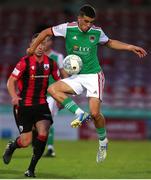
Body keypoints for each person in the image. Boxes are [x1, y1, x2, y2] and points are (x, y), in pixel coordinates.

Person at [26, 5, 147, 163]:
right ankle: (79, 113)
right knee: (53, 89)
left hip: (93, 76)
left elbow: (109, 42)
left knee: (95, 114)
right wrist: (33, 48)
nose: (89, 24)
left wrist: (130, 47)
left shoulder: (96, 32)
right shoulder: (67, 28)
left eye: (91, 22)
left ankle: (103, 142)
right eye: (86, 21)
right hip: (77, 76)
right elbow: (45, 32)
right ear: (79, 18)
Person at [3, 34, 60, 177]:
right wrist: (14, 96)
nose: (40, 47)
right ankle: (12, 146)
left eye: (43, 43)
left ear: (47, 45)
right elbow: (11, 81)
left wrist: (62, 98)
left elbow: (59, 82)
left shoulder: (51, 63)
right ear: (31, 45)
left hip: (41, 104)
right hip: (24, 106)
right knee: (26, 141)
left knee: (43, 134)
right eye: (37, 44)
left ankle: (31, 169)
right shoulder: (24, 62)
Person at [44, 36, 68, 157]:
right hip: (36, 95)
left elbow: (65, 76)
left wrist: (63, 96)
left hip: (51, 95)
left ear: (51, 42)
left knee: (48, 121)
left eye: (47, 40)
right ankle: (39, 143)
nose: (44, 42)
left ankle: (50, 148)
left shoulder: (57, 57)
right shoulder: (35, 57)